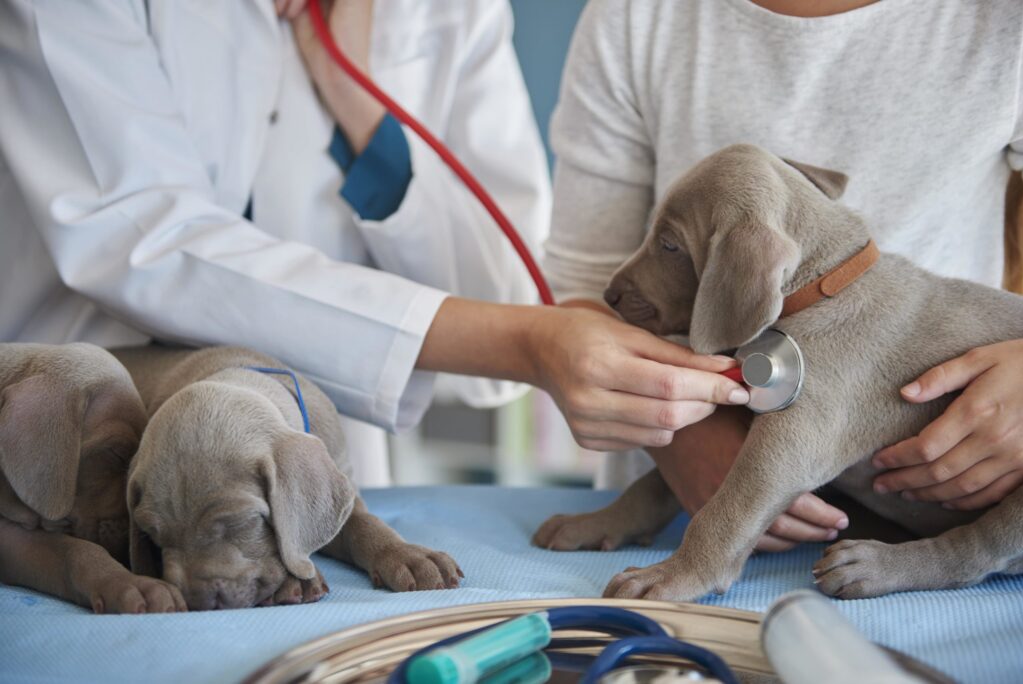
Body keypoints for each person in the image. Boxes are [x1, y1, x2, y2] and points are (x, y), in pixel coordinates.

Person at [0, 0, 750, 484]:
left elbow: (504, 319)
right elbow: (142, 237)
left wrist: (360, 109)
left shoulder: (447, 14)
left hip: (318, 485)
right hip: (85, 451)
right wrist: (522, 340)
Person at [545, 0, 1023, 550]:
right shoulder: (637, 14)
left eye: (670, 244)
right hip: (693, 472)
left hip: (958, 525)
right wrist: (687, 434)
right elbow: (587, 288)